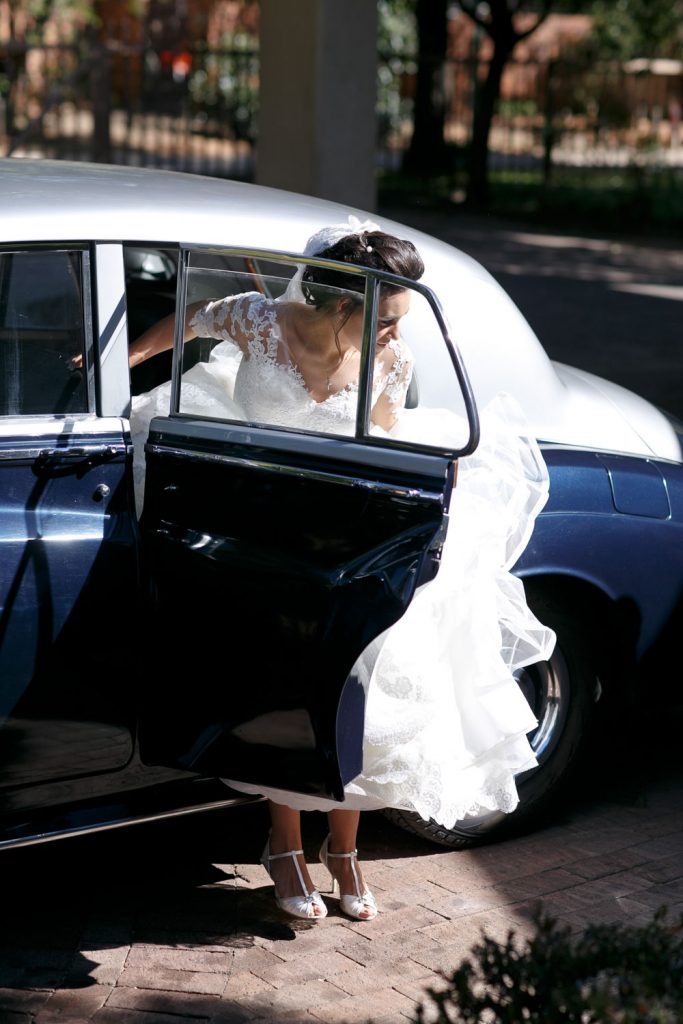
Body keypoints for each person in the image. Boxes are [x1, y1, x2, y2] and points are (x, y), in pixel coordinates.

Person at [128, 220, 556, 923]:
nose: (394, 336)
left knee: (365, 688)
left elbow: (381, 444)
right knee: (285, 685)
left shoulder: (392, 361)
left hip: (339, 527)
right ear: (337, 305)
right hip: (264, 522)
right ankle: (285, 842)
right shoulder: (259, 319)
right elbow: (187, 321)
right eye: (385, 321)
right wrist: (113, 359)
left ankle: (344, 848)